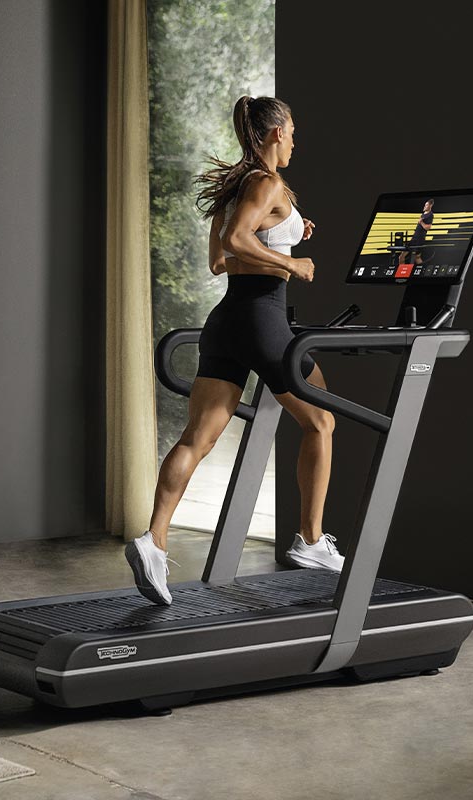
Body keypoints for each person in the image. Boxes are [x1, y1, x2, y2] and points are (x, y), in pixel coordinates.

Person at [125, 96, 343, 606]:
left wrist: (287, 236)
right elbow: (238, 240)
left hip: (225, 322)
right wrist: (292, 264)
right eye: (292, 132)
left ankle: (153, 540)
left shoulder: (236, 187)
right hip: (262, 319)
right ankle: (311, 540)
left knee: (197, 438)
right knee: (321, 422)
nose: (295, 141)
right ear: (275, 133)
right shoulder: (266, 183)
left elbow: (220, 260)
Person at [399, 198, 434, 265]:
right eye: (425, 205)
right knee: (417, 257)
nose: (425, 206)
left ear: (430, 206)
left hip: (418, 239)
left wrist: (421, 222)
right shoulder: (424, 214)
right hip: (416, 238)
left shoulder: (430, 215)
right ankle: (422, 271)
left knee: (402, 257)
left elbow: (428, 227)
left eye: (426, 205)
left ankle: (403, 271)